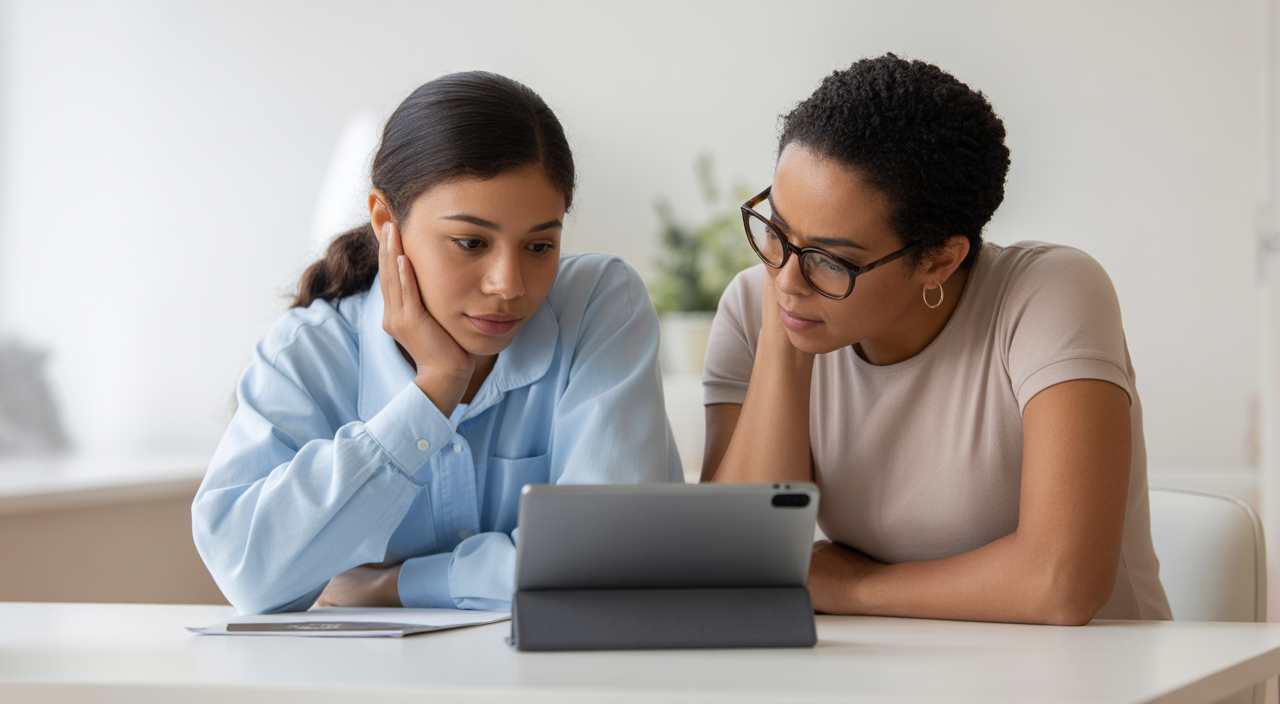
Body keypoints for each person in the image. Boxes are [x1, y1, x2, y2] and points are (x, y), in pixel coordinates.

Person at [701, 54, 1171, 626]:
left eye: (832, 259)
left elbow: (1061, 583)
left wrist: (856, 587)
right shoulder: (762, 299)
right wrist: (787, 321)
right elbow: (738, 564)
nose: (786, 278)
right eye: (776, 228)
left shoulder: (1048, 295)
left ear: (939, 260)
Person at [193, 72, 682, 615]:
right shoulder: (307, 352)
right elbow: (248, 576)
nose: (509, 284)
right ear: (386, 223)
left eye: (540, 245)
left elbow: (614, 561)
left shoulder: (598, 305)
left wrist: (393, 585)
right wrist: (432, 392)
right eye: (471, 242)